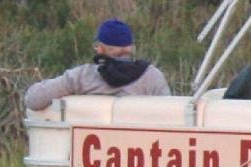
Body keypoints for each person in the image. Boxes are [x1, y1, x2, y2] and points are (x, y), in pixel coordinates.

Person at [23, 19, 170, 111]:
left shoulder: (82, 77)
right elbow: (171, 117)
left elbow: (33, 99)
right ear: (132, 48)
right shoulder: (152, 77)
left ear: (100, 48)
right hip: (138, 156)